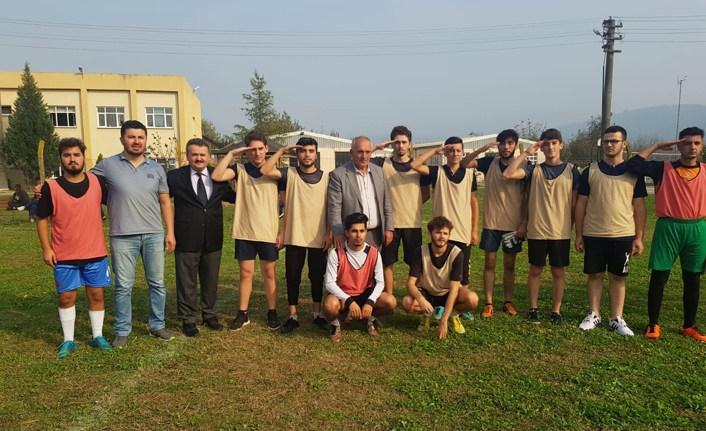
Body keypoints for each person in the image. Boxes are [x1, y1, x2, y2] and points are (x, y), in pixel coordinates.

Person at [92, 120, 176, 348]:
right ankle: (122, 330)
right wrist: (48, 188)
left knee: (157, 283)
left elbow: (165, 202)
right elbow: (81, 181)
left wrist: (170, 232)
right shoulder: (107, 165)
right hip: (122, 235)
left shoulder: (156, 168)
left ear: (145, 140)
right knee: (123, 286)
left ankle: (158, 324)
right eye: (131, 137)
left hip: (153, 234)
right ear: (122, 139)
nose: (136, 141)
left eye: (140, 137)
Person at [626, 126, 706, 341]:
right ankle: (653, 323)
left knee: (693, 280)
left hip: (697, 229)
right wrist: (657, 146)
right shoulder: (663, 168)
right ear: (679, 145)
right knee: (659, 278)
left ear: (702, 146)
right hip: (668, 228)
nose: (692, 147)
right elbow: (632, 165)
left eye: (696, 143)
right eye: (686, 143)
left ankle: (689, 325)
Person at [35, 138, 112, 358]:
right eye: (67, 155)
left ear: (83, 158)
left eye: (76, 155)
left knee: (96, 295)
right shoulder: (51, 187)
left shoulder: (98, 182)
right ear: (61, 158)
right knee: (66, 298)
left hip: (95, 252)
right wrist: (46, 248)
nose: (72, 159)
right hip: (64, 255)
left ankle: (97, 336)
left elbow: (119, 200)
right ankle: (68, 340)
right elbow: (41, 218)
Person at [575, 126, 647, 336]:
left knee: (618, 277)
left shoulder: (634, 172)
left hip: (623, 234)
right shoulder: (590, 171)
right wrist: (579, 234)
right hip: (594, 233)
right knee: (595, 275)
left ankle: (616, 318)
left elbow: (639, 207)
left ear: (624, 144)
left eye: (614, 141)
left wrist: (639, 237)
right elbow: (581, 203)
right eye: (606, 141)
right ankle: (594, 314)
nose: (609, 145)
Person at [503, 129, 579, 325]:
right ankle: (533, 309)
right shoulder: (533, 170)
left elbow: (575, 204)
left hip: (560, 231)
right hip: (537, 230)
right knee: (535, 270)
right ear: (541, 147)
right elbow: (508, 173)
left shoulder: (572, 171)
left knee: (558, 272)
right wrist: (528, 152)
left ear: (561, 145)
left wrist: (574, 230)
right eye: (546, 144)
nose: (550, 147)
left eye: (554, 143)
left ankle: (556, 311)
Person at [260, 137, 332, 334]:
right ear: (297, 154)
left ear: (316, 154)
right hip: (294, 234)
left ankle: (317, 314)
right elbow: (265, 170)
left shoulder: (327, 177)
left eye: (310, 151)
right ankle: (293, 316)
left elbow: (331, 208)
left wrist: (329, 233)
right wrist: (282, 151)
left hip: (318, 236)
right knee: (293, 276)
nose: (307, 154)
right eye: (302, 151)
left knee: (317, 276)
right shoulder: (288, 173)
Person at [211, 130, 281, 331]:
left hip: (268, 231)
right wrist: (232, 154)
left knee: (269, 273)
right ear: (247, 151)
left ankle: (272, 312)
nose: (257, 153)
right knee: (246, 273)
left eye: (260, 149)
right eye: (252, 149)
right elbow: (217, 175)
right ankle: (242, 313)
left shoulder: (275, 173)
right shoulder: (239, 169)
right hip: (245, 230)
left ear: (266, 149)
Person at [167, 138, 235, 337]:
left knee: (211, 280)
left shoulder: (217, 176)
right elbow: (162, 200)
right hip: (186, 237)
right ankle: (188, 319)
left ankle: (209, 315)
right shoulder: (175, 177)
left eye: (202, 155)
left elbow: (234, 197)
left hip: (213, 237)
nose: (198, 158)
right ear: (188, 156)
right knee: (186, 281)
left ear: (209, 157)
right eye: (194, 154)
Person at [458, 129, 527, 318]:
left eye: (510, 143)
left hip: (513, 225)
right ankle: (489, 303)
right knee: (489, 263)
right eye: (502, 143)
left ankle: (508, 301)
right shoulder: (490, 163)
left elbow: (528, 196)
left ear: (515, 145)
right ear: (498, 145)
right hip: (491, 224)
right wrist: (482, 149)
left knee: (510, 265)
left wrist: (524, 222)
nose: (506, 147)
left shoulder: (524, 165)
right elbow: (464, 163)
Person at [410, 136, 479, 319]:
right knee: (436, 269)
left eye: (458, 150)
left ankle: (459, 307)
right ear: (446, 153)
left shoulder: (470, 174)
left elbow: (473, 202)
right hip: (441, 231)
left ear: (462, 152)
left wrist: (474, 230)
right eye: (451, 150)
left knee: (463, 271)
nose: (454, 153)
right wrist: (435, 151)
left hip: (462, 230)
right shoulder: (437, 172)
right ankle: (437, 302)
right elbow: (415, 165)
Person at [370, 126, 431, 294]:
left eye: (404, 142)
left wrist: (411, 205)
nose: (400, 146)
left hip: (412, 223)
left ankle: (415, 296)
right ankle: (389, 296)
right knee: (387, 262)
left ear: (410, 144)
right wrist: (377, 147)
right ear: (391, 144)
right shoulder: (382, 164)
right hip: (390, 224)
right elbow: (361, 156)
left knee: (415, 263)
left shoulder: (419, 167)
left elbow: (426, 194)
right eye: (397, 142)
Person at [323, 212, 397, 342]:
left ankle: (368, 319)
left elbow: (380, 282)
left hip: (364, 296)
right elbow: (329, 283)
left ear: (366, 231)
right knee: (329, 305)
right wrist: (349, 301)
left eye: (362, 231)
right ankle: (335, 324)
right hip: (343, 297)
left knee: (390, 301)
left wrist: (370, 302)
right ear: (346, 233)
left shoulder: (374, 253)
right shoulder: (336, 253)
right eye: (354, 231)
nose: (358, 235)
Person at [402, 216, 479, 339]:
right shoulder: (420, 251)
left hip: (448, 292)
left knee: (472, 299)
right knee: (407, 303)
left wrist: (443, 320)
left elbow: (454, 290)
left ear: (449, 235)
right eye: (438, 232)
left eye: (445, 233)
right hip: (427, 292)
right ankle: (428, 315)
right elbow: (410, 283)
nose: (442, 236)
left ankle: (452, 315)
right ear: (429, 234)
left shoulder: (456, 253)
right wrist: (421, 300)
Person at [327, 136, 394, 250]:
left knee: (374, 262)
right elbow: (334, 207)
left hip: (376, 235)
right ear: (351, 153)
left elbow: (386, 202)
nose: (364, 156)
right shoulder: (338, 175)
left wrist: (389, 228)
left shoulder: (379, 171)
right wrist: (338, 233)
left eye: (368, 152)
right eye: (360, 152)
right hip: (350, 236)